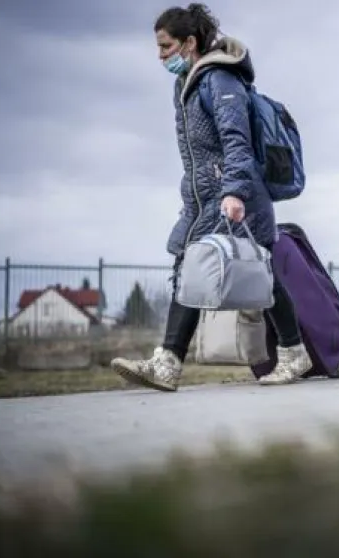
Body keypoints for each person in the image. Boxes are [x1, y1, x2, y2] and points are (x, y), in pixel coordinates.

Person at [110, 3, 312, 391]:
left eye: (166, 47)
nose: (160, 55)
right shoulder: (185, 85)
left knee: (259, 275)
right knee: (195, 271)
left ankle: (291, 353)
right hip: (204, 198)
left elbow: (236, 143)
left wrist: (234, 191)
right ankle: (169, 362)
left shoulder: (219, 80)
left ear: (190, 42)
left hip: (237, 197)